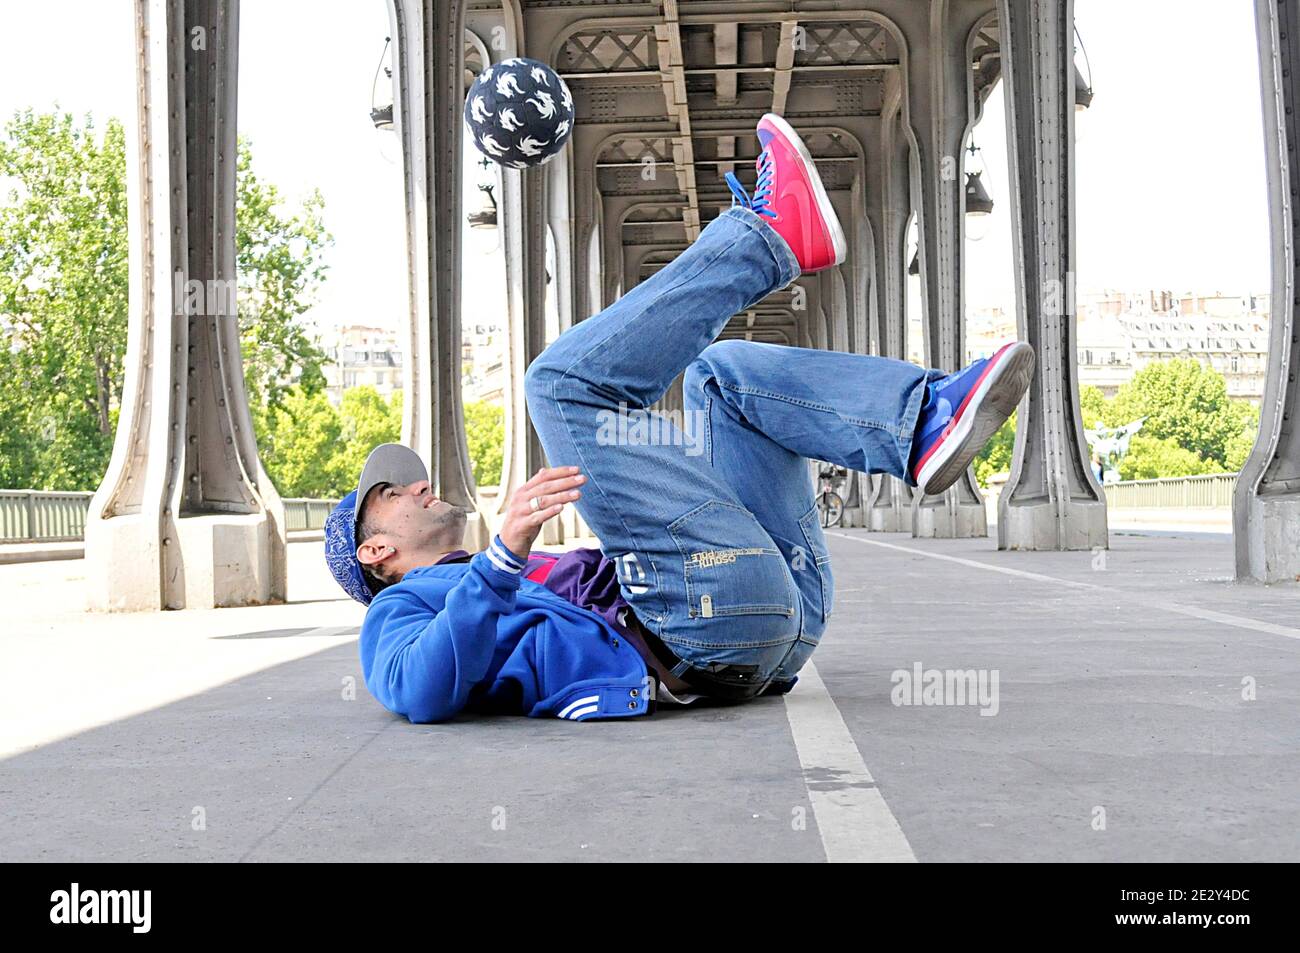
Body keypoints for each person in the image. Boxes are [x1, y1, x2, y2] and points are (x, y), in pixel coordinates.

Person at [324, 113, 1035, 723]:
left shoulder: (492, 575)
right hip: (704, 631)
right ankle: (767, 238)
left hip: (776, 612)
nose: (419, 487)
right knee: (558, 384)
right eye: (393, 494)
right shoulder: (398, 614)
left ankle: (920, 422)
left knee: (717, 377)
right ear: (373, 552)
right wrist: (504, 559)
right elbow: (420, 691)